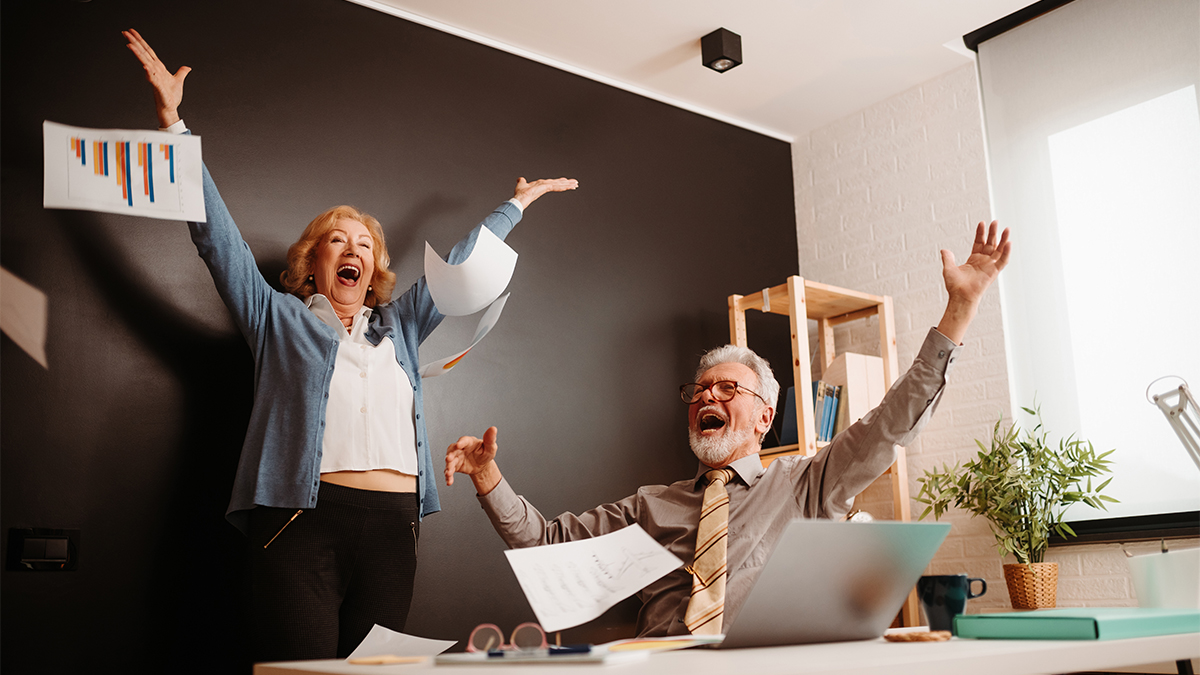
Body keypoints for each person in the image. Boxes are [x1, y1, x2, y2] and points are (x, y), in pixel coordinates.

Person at [122, 29, 578, 661]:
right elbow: (215, 238)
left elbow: (461, 269)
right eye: (338, 240)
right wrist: (174, 125)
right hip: (299, 521)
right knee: (300, 671)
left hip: (395, 528)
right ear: (312, 263)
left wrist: (514, 206)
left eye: (364, 243)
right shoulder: (275, 316)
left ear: (374, 267)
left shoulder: (403, 324)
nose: (353, 249)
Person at [446, 222, 1011, 637]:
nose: (707, 396)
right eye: (699, 390)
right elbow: (546, 543)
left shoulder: (808, 484)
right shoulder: (650, 506)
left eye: (727, 388)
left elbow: (891, 426)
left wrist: (957, 311)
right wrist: (488, 475)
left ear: (766, 417)